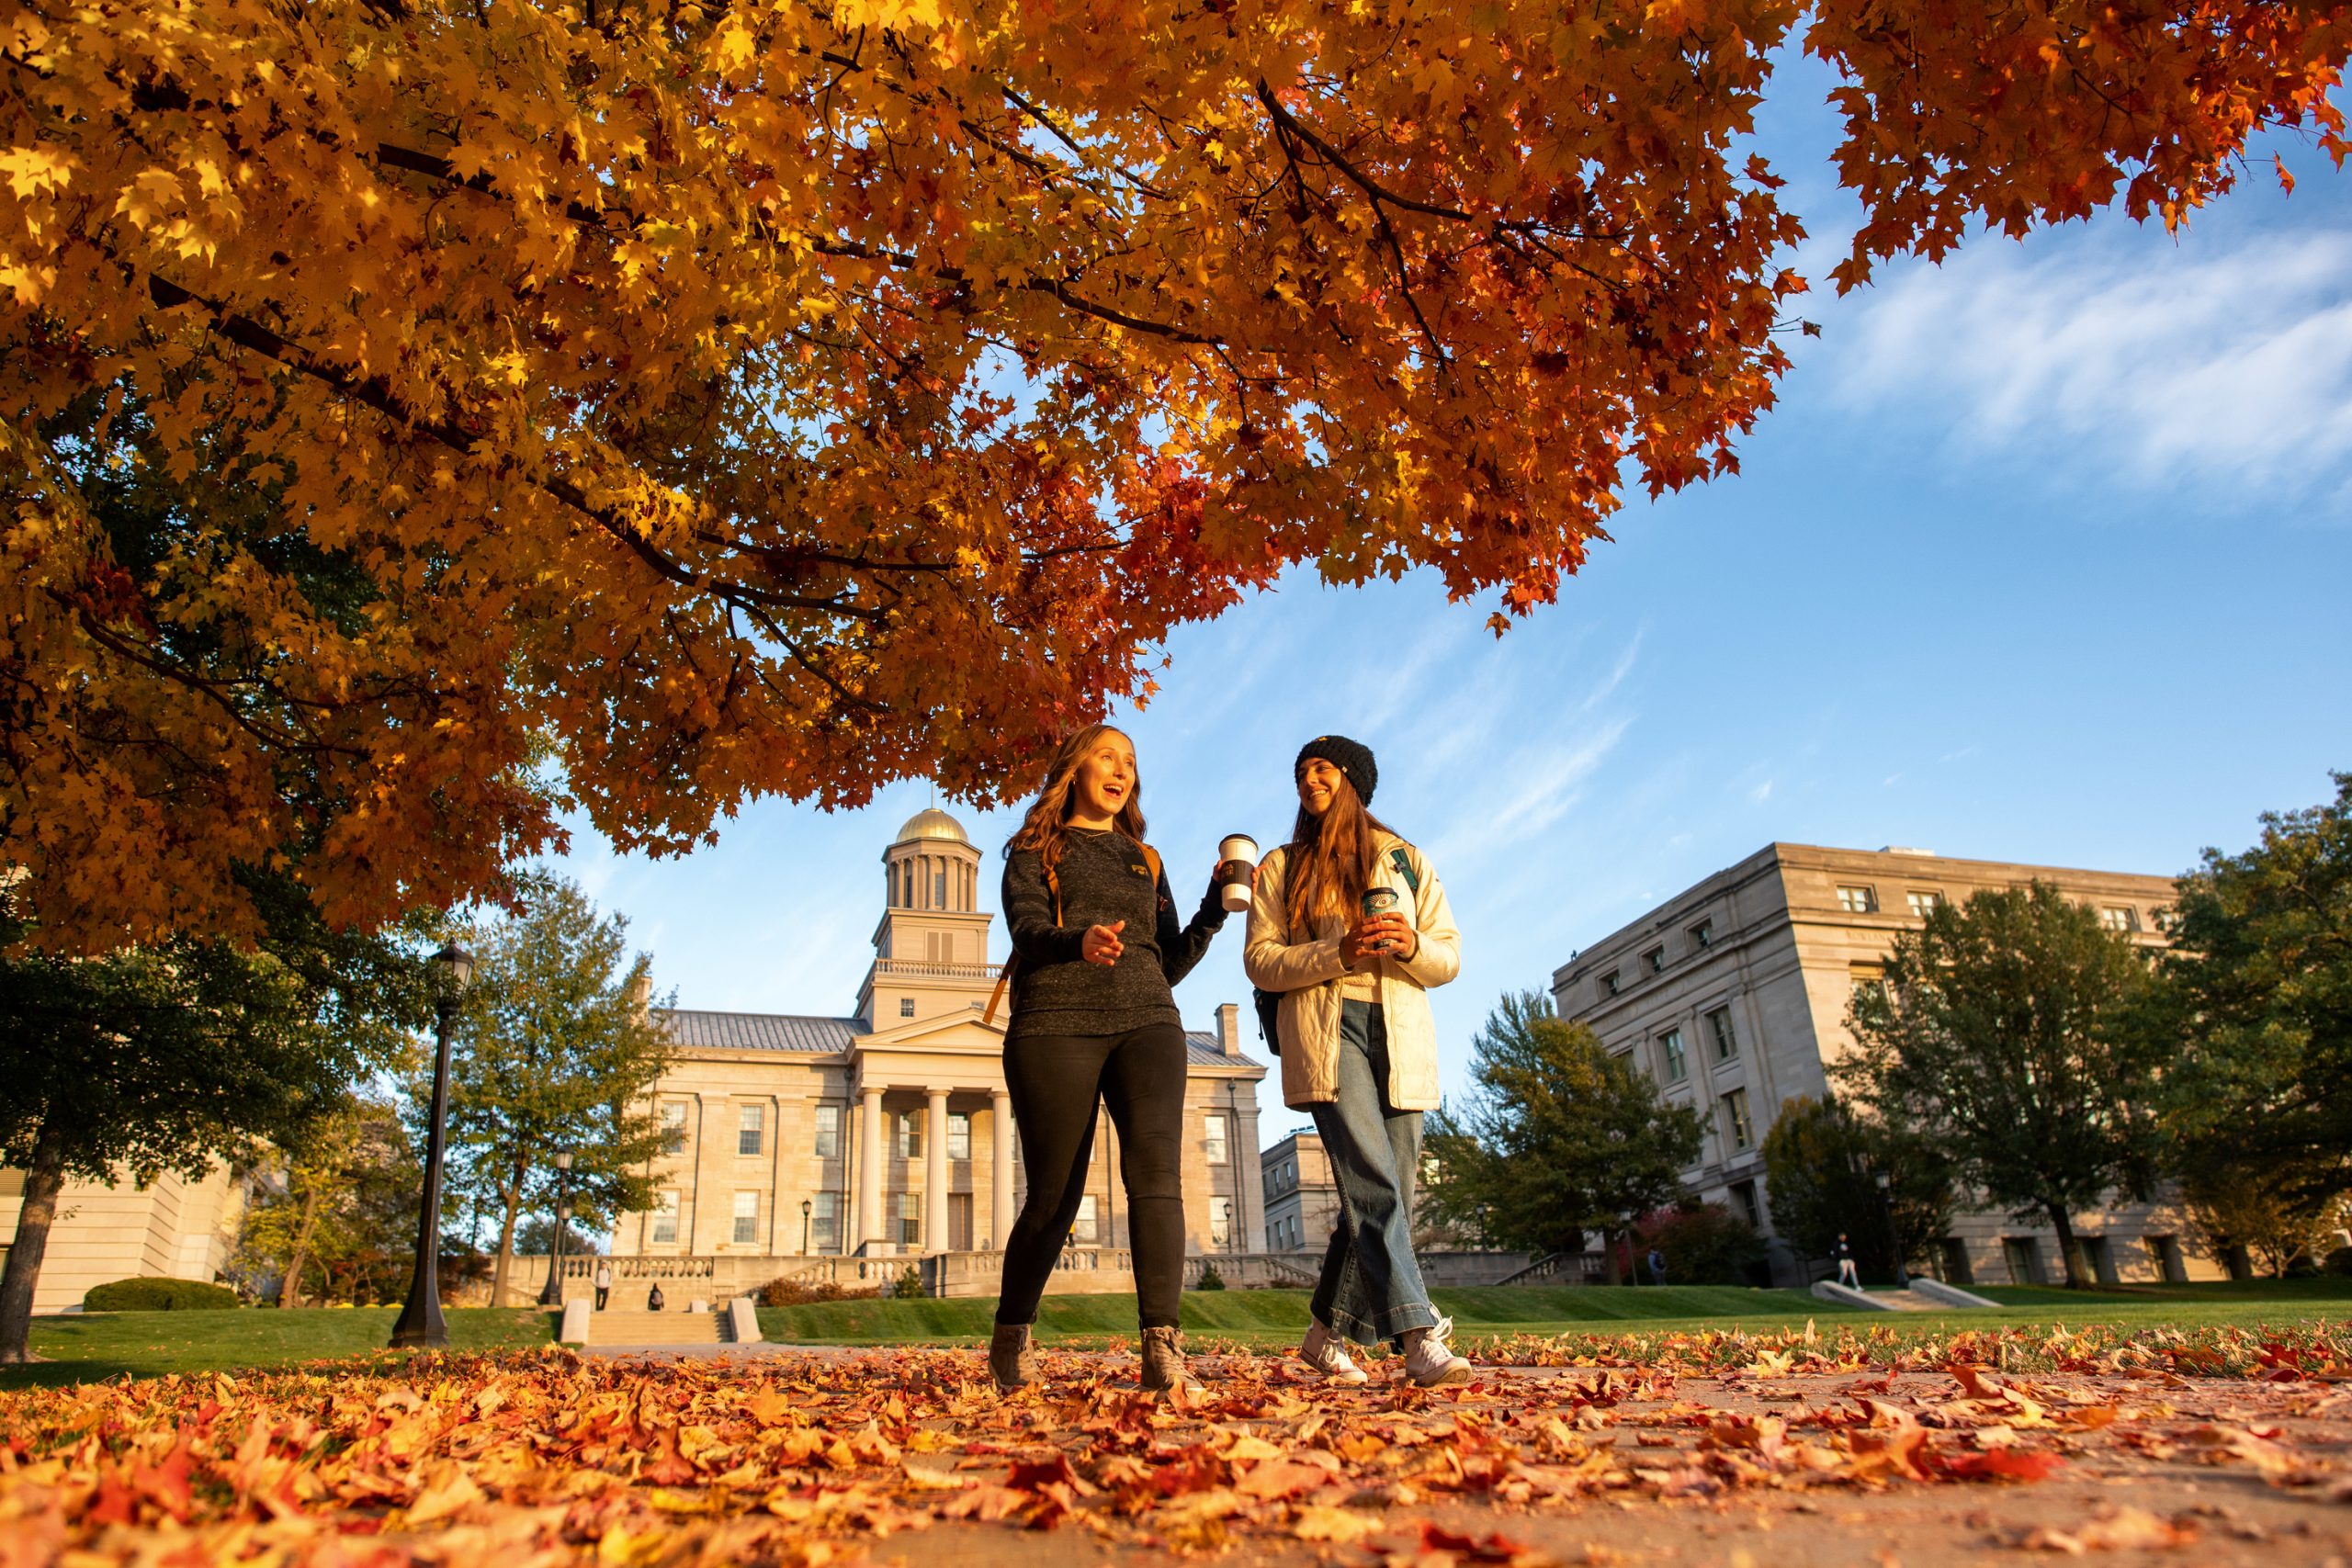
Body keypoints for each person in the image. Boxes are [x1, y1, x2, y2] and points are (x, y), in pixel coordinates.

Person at [989, 723, 1238, 1394]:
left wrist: (1213, 909)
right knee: (1054, 1197)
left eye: (1131, 759)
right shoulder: (1032, 849)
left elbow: (1168, 958)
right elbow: (1028, 930)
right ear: (1074, 768)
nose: (1122, 767)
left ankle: (1162, 1349)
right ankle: (1011, 1338)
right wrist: (1080, 942)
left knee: (1157, 1179)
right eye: (1108, 754)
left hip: (1149, 1022)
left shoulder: (1146, 859)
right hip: (1054, 1024)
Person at [1245, 735, 1469, 1388]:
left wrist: (1411, 943)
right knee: (1372, 1178)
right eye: (1301, 771)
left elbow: (1450, 955)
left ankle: (1324, 1334)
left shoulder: (1406, 859)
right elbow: (1260, 958)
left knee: (1384, 1188)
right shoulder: (1282, 866)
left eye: (1322, 768)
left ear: (1353, 780)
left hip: (1398, 1028)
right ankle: (1418, 1334)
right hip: (1326, 1025)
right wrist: (1335, 953)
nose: (1309, 779)